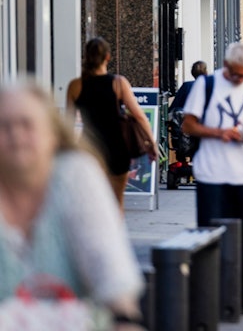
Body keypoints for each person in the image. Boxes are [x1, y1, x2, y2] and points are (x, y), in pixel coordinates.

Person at [0, 84, 145, 328]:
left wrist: (124, 317)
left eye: (26, 124)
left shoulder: (75, 175)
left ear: (52, 134)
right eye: (4, 126)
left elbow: (107, 261)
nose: (16, 135)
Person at [182, 42, 243, 316]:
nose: (240, 79)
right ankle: (207, 299)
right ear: (225, 66)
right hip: (212, 173)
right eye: (235, 74)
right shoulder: (207, 85)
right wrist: (219, 133)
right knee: (208, 239)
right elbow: (188, 124)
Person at [66, 37, 154, 209]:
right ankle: (115, 235)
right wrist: (152, 144)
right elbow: (140, 116)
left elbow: (68, 124)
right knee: (116, 202)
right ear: (108, 57)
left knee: (91, 202)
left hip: (90, 148)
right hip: (117, 149)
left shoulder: (76, 86)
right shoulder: (119, 83)